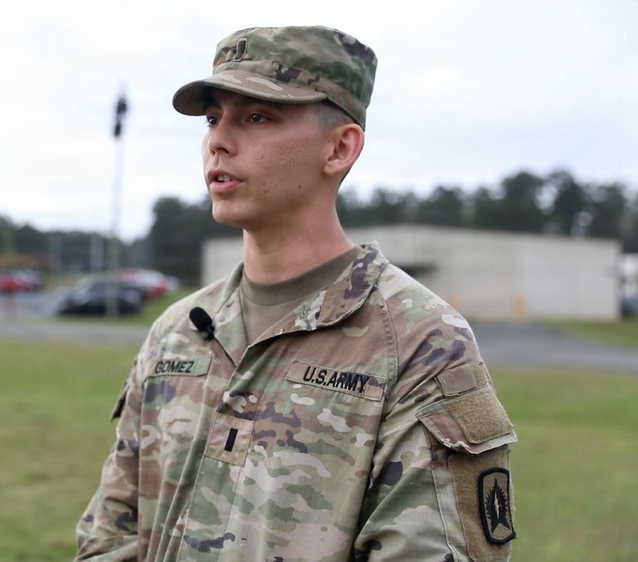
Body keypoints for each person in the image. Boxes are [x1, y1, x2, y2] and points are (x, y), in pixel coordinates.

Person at [75, 25, 517, 562]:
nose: (218, 139)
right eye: (215, 117)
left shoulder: (419, 343)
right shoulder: (179, 330)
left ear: (339, 147)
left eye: (258, 117)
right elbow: (111, 532)